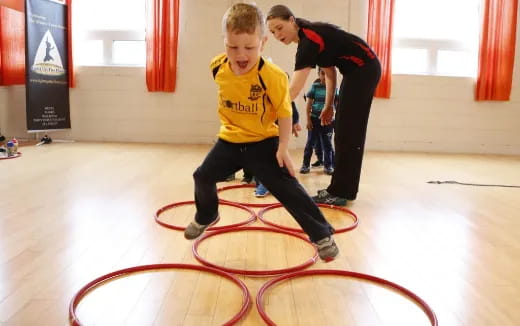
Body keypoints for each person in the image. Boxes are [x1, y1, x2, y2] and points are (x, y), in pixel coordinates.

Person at [184, 3, 338, 261]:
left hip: (263, 143)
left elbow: (284, 112)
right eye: (233, 47)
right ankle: (207, 215)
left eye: (249, 47)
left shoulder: (272, 76)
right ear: (224, 43)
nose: (240, 54)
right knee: (202, 176)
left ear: (263, 43)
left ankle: (321, 235)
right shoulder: (217, 67)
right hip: (229, 141)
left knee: (289, 189)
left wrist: (282, 148)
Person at [267, 5, 381, 206]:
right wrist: (329, 106)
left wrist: (270, 114)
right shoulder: (310, 37)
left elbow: (294, 89)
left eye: (279, 27)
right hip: (355, 72)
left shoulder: (309, 42)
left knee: (349, 132)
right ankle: (339, 189)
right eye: (272, 31)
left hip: (365, 69)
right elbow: (329, 73)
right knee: (343, 130)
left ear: (292, 21)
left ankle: (341, 192)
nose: (277, 34)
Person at [300, 68, 335, 176]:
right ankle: (305, 165)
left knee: (327, 145)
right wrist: (308, 119)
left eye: (326, 74)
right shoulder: (315, 87)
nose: (324, 76)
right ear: (319, 74)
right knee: (310, 143)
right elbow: (309, 104)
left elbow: (336, 105)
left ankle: (328, 166)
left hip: (328, 122)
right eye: (322, 73)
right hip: (314, 120)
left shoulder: (333, 88)